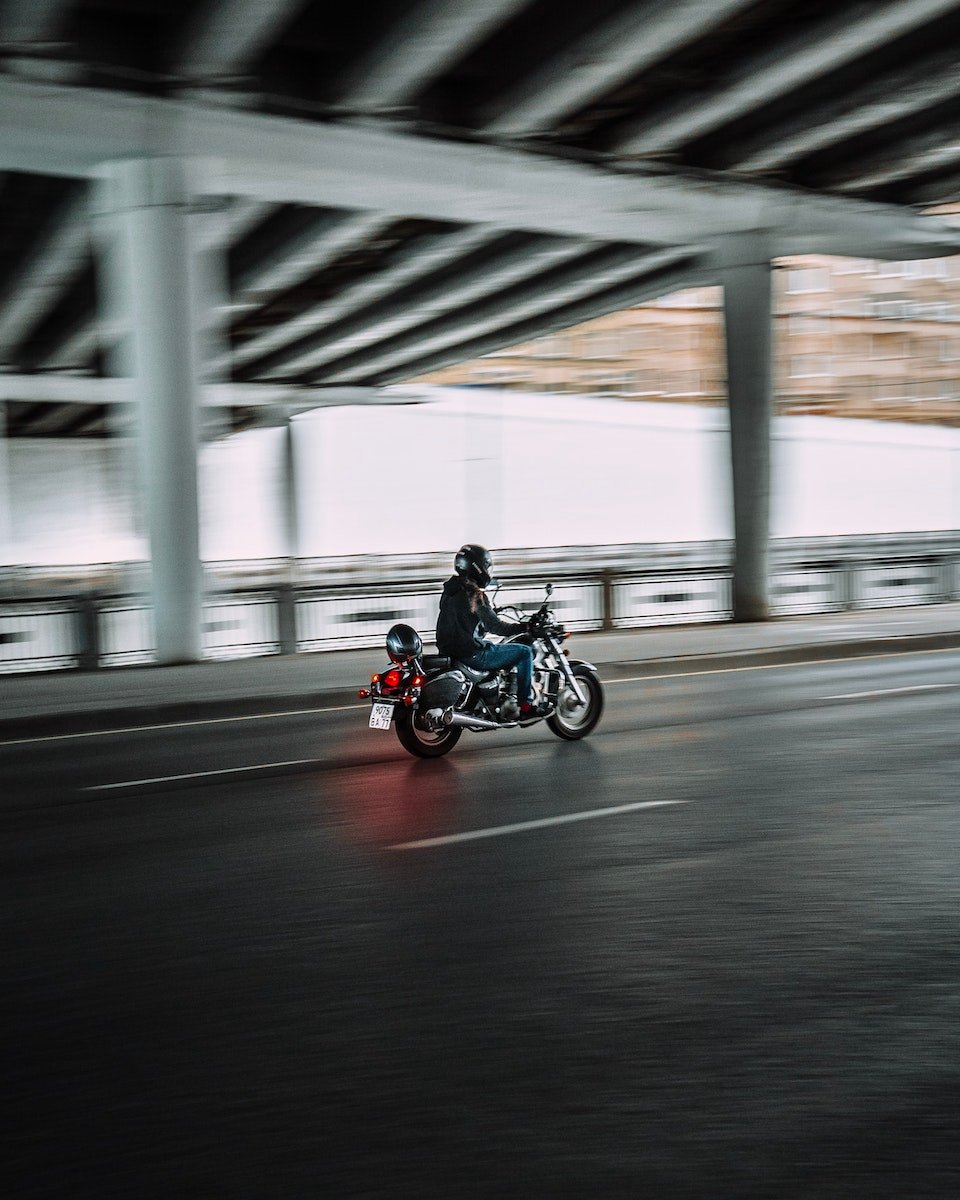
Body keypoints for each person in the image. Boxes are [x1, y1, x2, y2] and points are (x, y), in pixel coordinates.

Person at [435, 543, 540, 718]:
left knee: (492, 645)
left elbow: (463, 620)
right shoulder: (475, 594)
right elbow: (496, 627)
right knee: (524, 652)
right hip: (472, 654)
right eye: (487, 566)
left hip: (449, 651)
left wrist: (488, 614)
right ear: (478, 567)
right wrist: (525, 627)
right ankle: (526, 706)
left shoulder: (450, 590)